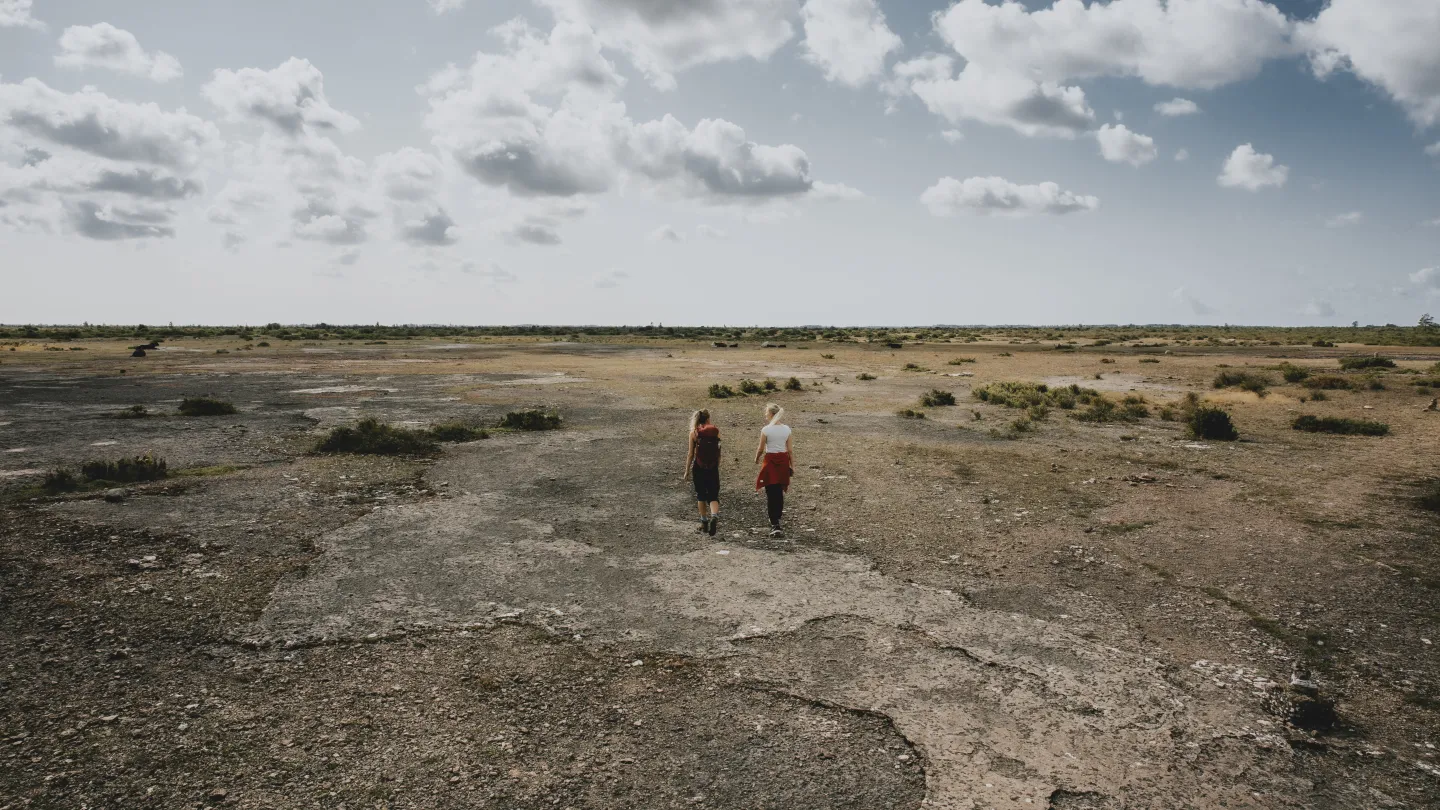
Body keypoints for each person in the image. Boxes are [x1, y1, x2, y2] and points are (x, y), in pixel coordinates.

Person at [753, 403, 793, 537]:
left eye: (766, 413)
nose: (765, 415)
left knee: (771, 490)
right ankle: (777, 517)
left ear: (771, 414)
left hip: (770, 461)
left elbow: (760, 448)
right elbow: (790, 450)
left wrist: (757, 458)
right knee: (780, 489)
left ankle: (774, 521)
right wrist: (792, 465)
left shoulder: (766, 430)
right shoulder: (786, 429)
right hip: (783, 461)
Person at [683, 409, 722, 536]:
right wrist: (717, 464)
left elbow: (690, 454)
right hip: (713, 467)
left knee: (701, 495)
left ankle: (704, 522)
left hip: (699, 468)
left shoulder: (694, 433)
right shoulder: (715, 432)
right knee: (713, 495)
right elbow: (719, 450)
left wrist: (687, 470)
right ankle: (714, 516)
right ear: (708, 419)